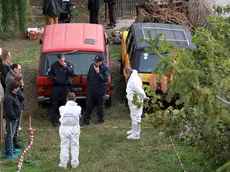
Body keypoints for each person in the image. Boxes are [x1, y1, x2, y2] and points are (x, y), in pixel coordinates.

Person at [48, 53, 74, 127]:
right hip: (56, 86)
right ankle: (54, 120)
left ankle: (65, 119)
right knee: (55, 103)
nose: (61, 62)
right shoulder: (54, 65)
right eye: (59, 61)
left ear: (64, 58)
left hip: (66, 86)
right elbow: (50, 73)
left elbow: (72, 73)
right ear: (57, 59)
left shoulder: (69, 63)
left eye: (62, 60)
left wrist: (66, 67)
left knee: (66, 103)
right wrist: (54, 78)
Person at [83, 55, 110, 125]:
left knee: (100, 106)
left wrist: (98, 72)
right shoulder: (92, 66)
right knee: (89, 105)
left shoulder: (106, 68)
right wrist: (89, 85)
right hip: (91, 90)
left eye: (97, 62)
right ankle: (86, 119)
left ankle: (100, 120)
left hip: (100, 91)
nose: (95, 63)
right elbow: (88, 76)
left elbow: (104, 79)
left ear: (101, 62)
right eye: (95, 61)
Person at [123, 67, 149, 140]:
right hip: (132, 101)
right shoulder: (132, 78)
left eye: (124, 73)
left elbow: (139, 90)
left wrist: (144, 97)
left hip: (136, 101)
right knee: (133, 116)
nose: (124, 75)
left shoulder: (134, 80)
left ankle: (136, 135)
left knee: (136, 117)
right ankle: (134, 130)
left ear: (128, 73)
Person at [58, 92, 82, 169]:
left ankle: (63, 164)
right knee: (75, 145)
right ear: (75, 99)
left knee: (64, 145)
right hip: (74, 129)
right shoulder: (78, 108)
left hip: (64, 129)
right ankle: (74, 164)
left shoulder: (61, 108)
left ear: (66, 99)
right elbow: (79, 116)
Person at [3, 80, 22, 159]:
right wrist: (14, 117)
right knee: (9, 136)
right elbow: (9, 110)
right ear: (13, 88)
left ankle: (12, 148)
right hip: (11, 120)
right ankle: (8, 153)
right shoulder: (8, 98)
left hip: (15, 119)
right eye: (17, 87)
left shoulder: (14, 95)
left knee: (13, 134)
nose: (18, 89)